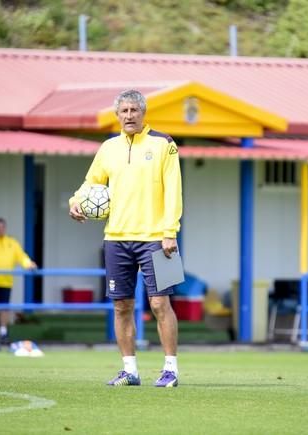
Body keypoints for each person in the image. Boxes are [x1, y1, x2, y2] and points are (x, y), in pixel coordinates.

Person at [69, 89, 182, 388]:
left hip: (157, 238)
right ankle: (129, 370)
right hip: (116, 239)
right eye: (124, 111)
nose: (129, 115)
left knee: (160, 304)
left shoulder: (164, 144)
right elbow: (90, 183)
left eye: (134, 110)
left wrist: (170, 231)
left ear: (143, 113)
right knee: (121, 306)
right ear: (117, 115)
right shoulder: (108, 148)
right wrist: (75, 200)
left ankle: (170, 369)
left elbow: (174, 190)